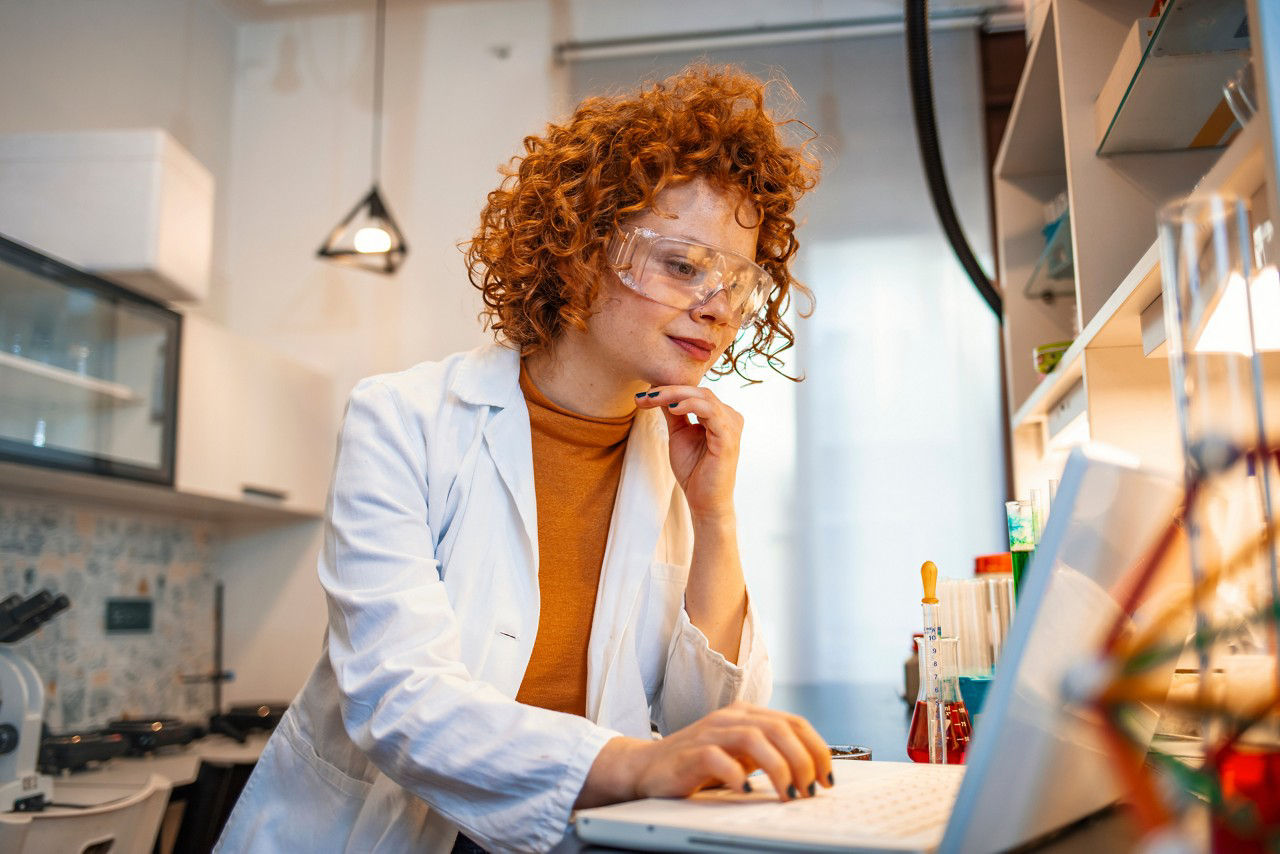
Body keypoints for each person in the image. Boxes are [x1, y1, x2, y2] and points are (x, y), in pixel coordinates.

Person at [216, 63, 828, 854]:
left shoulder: (680, 458)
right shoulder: (403, 419)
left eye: (737, 283)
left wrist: (715, 515)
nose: (715, 307)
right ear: (578, 248)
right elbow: (397, 699)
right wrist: (637, 767)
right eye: (682, 265)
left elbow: (699, 732)